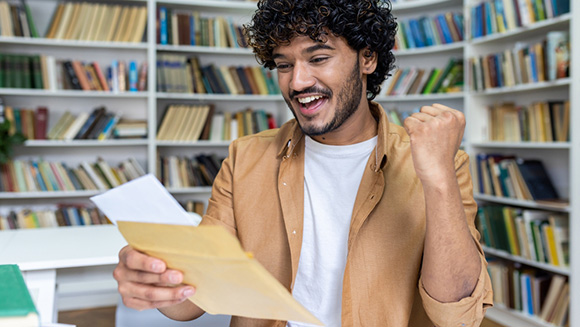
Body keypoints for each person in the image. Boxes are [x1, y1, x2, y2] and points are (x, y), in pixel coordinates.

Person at [113, 0, 494, 326]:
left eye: (319, 58)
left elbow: (456, 315)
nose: (297, 82)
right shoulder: (245, 157)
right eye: (283, 65)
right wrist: (154, 281)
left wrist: (438, 179)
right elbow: (193, 298)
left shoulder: (439, 164)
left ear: (367, 58)